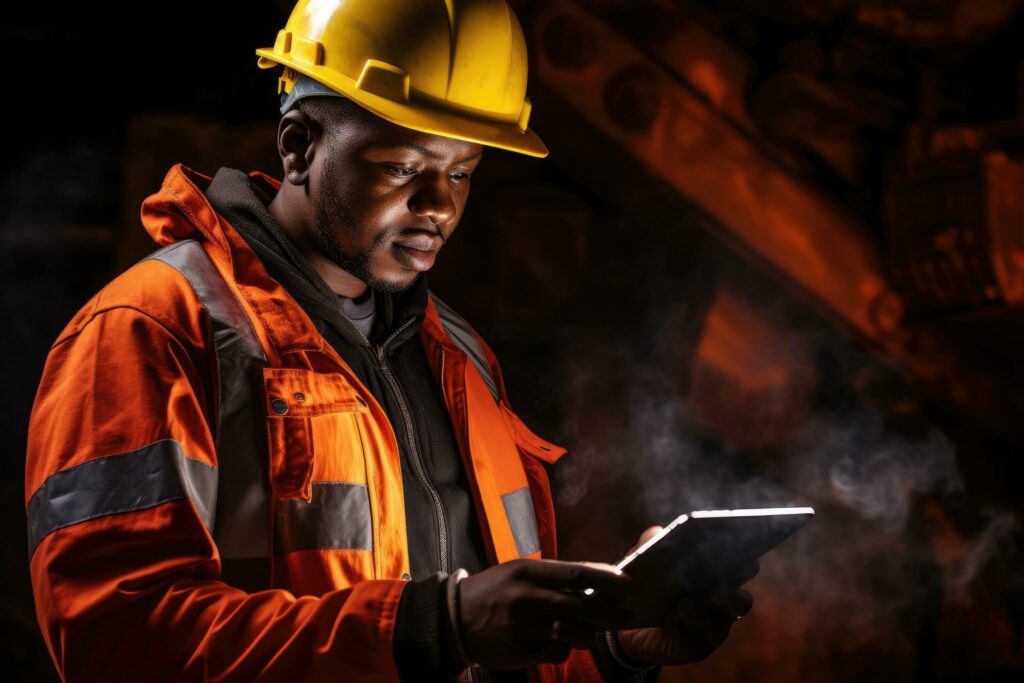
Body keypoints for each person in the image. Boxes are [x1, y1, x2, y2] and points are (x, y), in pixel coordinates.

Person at [24, 1, 756, 680]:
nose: (440, 206)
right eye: (405, 168)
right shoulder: (150, 329)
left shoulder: (459, 355)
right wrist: (431, 626)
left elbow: (492, 641)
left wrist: (611, 643)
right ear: (299, 145)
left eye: (462, 172)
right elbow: (113, 640)